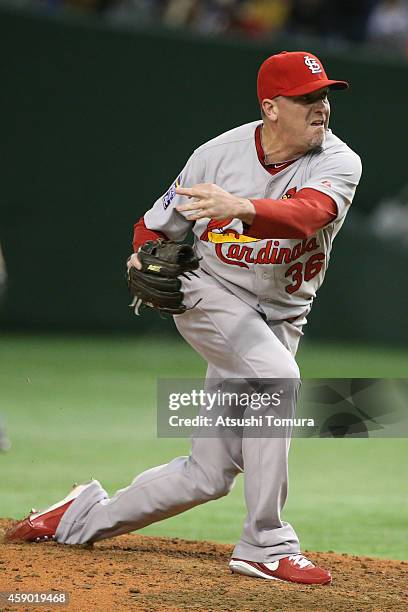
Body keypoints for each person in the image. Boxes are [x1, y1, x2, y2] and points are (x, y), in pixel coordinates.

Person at [5, 51, 361, 586]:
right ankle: (267, 541)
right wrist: (140, 252)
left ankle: (77, 517)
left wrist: (238, 208)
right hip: (209, 293)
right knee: (277, 380)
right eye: (307, 98)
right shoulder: (217, 155)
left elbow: (308, 215)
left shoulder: (338, 161)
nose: (321, 108)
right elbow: (154, 226)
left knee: (208, 474)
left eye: (324, 96)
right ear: (271, 107)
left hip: (282, 319)